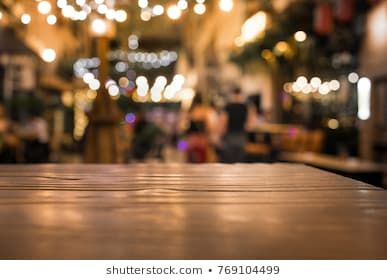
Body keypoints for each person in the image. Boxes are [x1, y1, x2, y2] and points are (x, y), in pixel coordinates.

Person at [220, 87, 253, 163]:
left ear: (232, 95)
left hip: (230, 136)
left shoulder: (228, 107)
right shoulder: (245, 107)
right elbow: (249, 123)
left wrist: (221, 135)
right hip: (241, 136)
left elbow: (223, 122)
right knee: (240, 161)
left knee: (229, 160)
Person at [184, 94, 218, 163]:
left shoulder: (190, 110)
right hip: (202, 138)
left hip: (191, 138)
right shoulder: (205, 110)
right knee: (202, 158)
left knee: (190, 158)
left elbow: (183, 125)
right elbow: (209, 126)